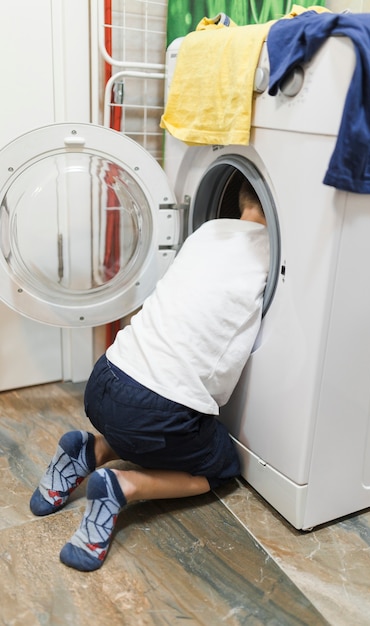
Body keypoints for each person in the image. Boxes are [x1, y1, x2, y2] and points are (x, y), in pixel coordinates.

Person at [30, 179, 269, 571]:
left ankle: (93, 450)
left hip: (105, 378)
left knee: (151, 433)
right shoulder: (273, 250)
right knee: (219, 466)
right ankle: (124, 486)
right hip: (156, 412)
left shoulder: (207, 232)